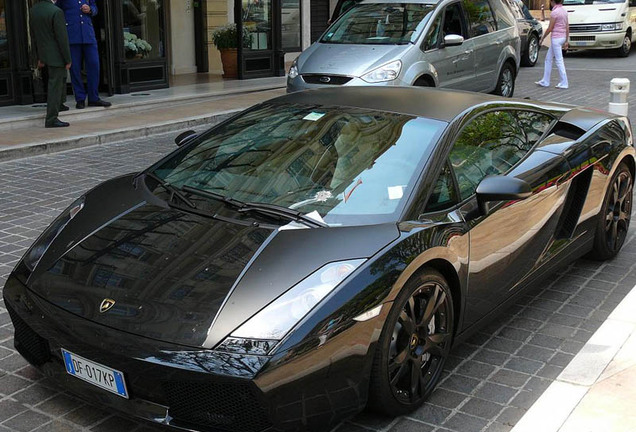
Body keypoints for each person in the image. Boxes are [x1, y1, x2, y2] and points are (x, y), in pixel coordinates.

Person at [56, 0, 111, 108]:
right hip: (72, 34)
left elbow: (95, 7)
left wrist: (90, 10)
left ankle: (93, 98)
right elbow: (57, 10)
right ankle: (80, 98)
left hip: (88, 33)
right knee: (75, 69)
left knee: (94, 65)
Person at [30, 0, 72, 128]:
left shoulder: (34, 10)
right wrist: (67, 59)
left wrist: (37, 57)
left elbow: (33, 36)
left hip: (43, 53)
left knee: (57, 82)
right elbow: (62, 38)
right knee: (55, 85)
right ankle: (52, 118)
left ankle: (59, 104)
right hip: (56, 55)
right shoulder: (56, 11)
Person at [535, 0, 569, 89]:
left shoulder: (554, 12)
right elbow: (567, 26)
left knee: (558, 60)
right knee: (548, 59)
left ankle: (564, 82)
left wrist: (542, 38)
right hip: (562, 38)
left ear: (552, 1)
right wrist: (566, 40)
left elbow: (550, 28)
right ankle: (545, 81)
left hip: (556, 38)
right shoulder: (564, 11)